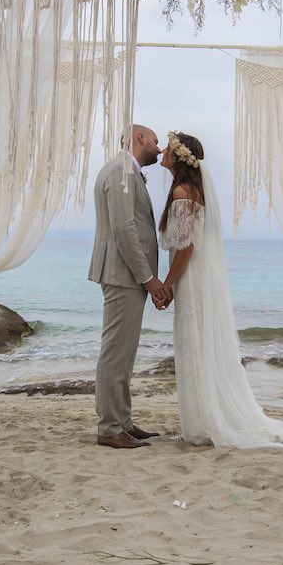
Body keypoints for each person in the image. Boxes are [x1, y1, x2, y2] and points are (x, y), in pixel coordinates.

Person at [157, 132, 283, 450]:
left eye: (168, 149)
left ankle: (202, 423)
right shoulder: (192, 190)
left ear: (180, 158)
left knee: (194, 342)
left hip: (192, 278)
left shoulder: (184, 192)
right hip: (195, 275)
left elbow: (186, 247)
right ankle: (202, 417)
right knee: (198, 342)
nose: (162, 152)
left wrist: (167, 284)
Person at [87, 124, 170, 449]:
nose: (159, 147)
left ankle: (122, 421)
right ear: (139, 139)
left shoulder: (126, 171)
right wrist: (149, 279)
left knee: (124, 353)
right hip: (122, 274)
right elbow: (124, 229)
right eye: (155, 141)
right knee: (115, 354)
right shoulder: (122, 171)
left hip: (124, 275)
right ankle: (110, 427)